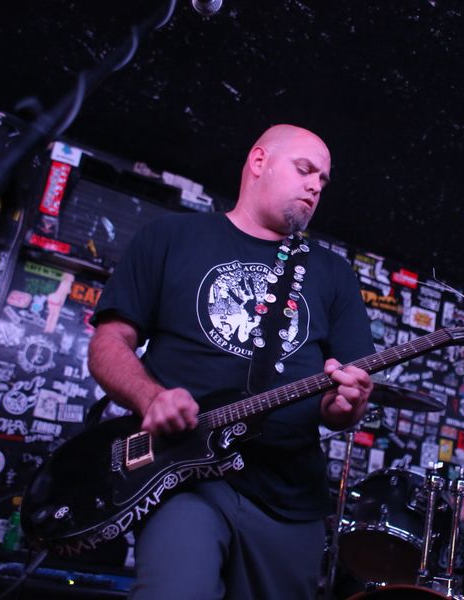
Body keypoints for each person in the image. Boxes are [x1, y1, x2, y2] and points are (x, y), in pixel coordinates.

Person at [88, 124, 375, 600]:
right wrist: (151, 398)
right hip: (184, 475)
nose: (314, 187)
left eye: (322, 181)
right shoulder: (170, 236)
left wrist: (347, 404)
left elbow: (342, 401)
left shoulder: (334, 274)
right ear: (259, 162)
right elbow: (108, 343)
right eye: (305, 170)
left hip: (289, 495)